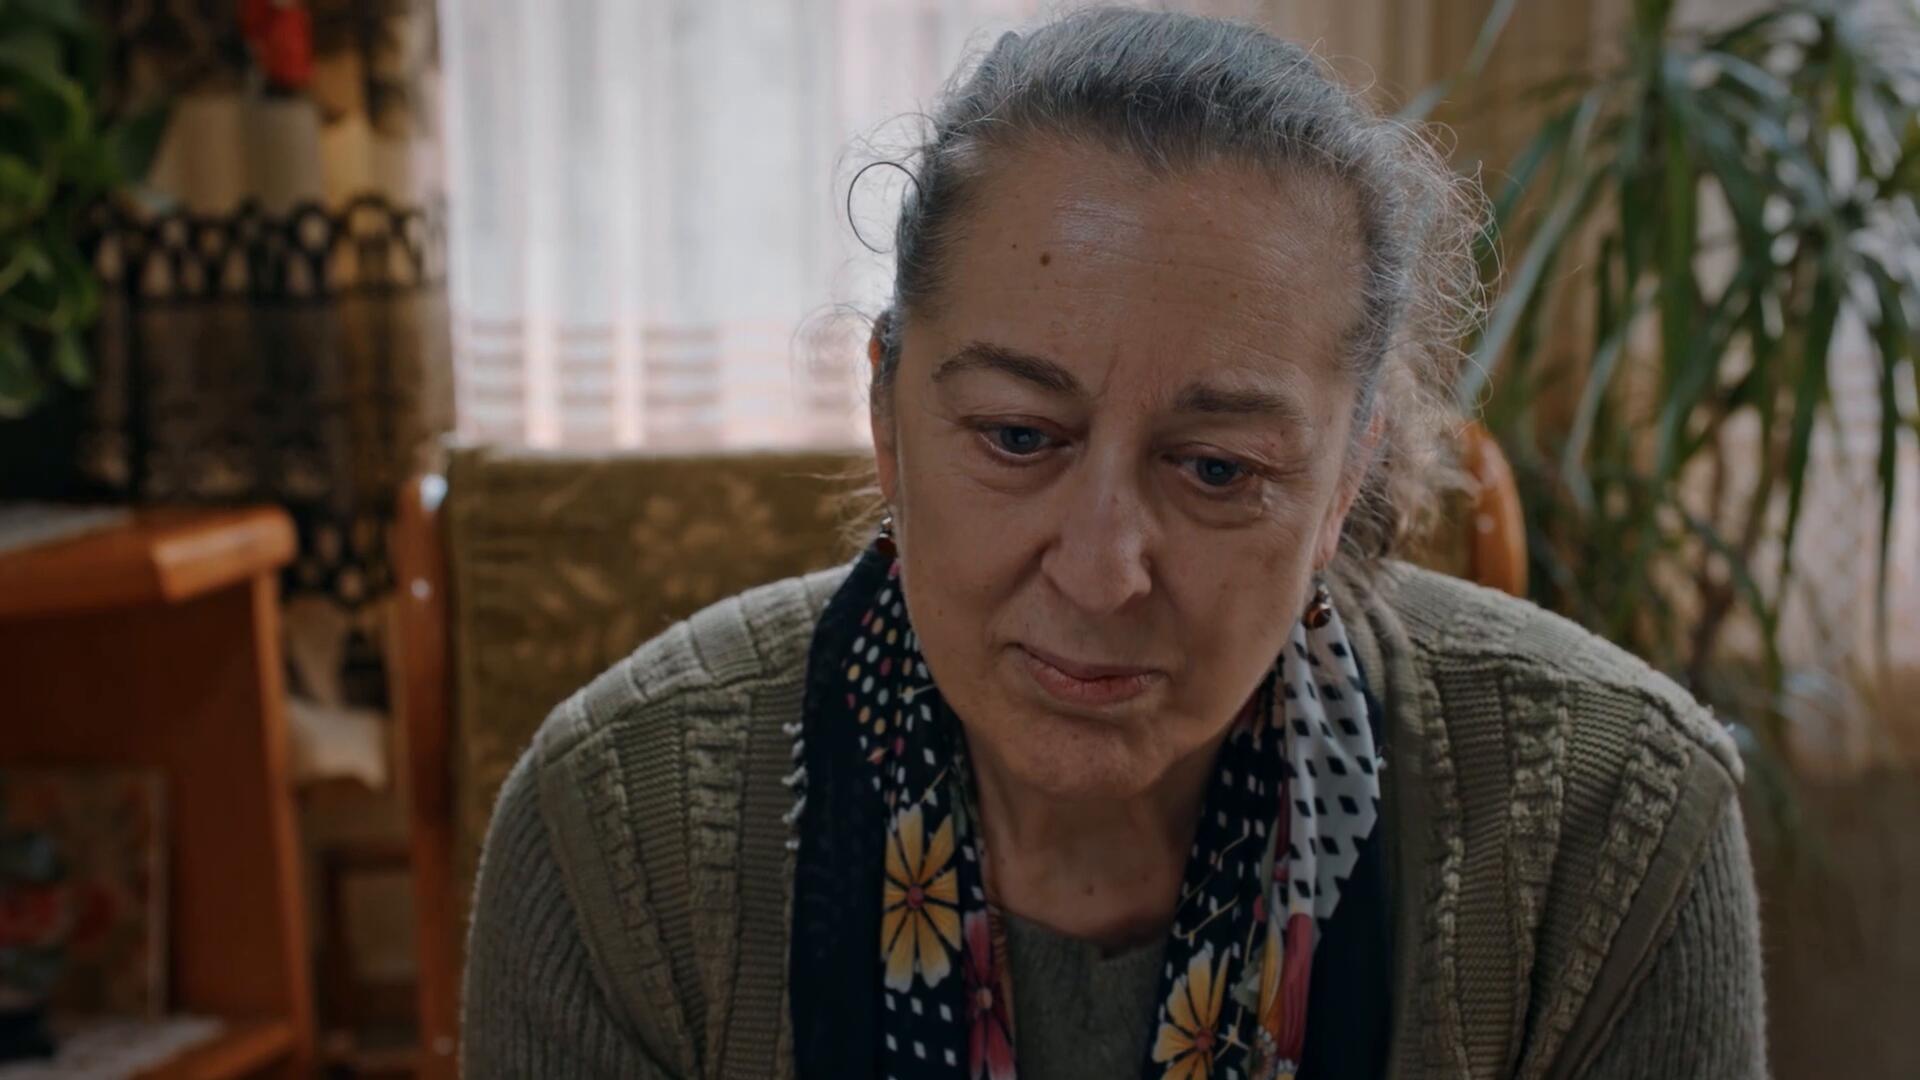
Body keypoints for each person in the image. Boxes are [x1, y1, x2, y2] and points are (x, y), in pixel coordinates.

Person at [462, 8, 1765, 1079]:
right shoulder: (624, 834)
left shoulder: (1603, 830)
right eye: (1018, 437)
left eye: (1217, 469)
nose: (1099, 572)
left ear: (1345, 481)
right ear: (887, 420)